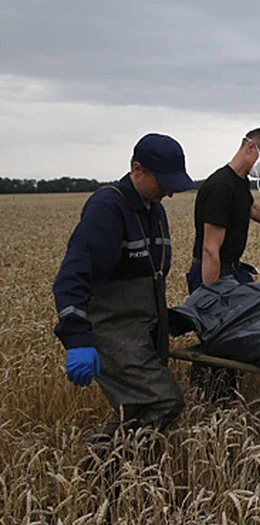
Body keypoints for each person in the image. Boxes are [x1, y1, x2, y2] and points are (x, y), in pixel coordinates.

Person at [53, 133, 195, 441]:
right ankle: (105, 459)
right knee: (163, 400)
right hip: (114, 329)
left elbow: (149, 273)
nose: (169, 193)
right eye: (164, 183)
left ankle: (121, 476)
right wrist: (77, 338)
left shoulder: (152, 208)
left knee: (136, 410)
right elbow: (73, 275)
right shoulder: (107, 208)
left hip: (145, 327)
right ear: (137, 169)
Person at [186, 127, 260, 293]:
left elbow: (250, 207)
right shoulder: (221, 187)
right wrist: (211, 295)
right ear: (251, 147)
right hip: (212, 272)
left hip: (233, 270)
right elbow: (210, 250)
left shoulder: (240, 180)